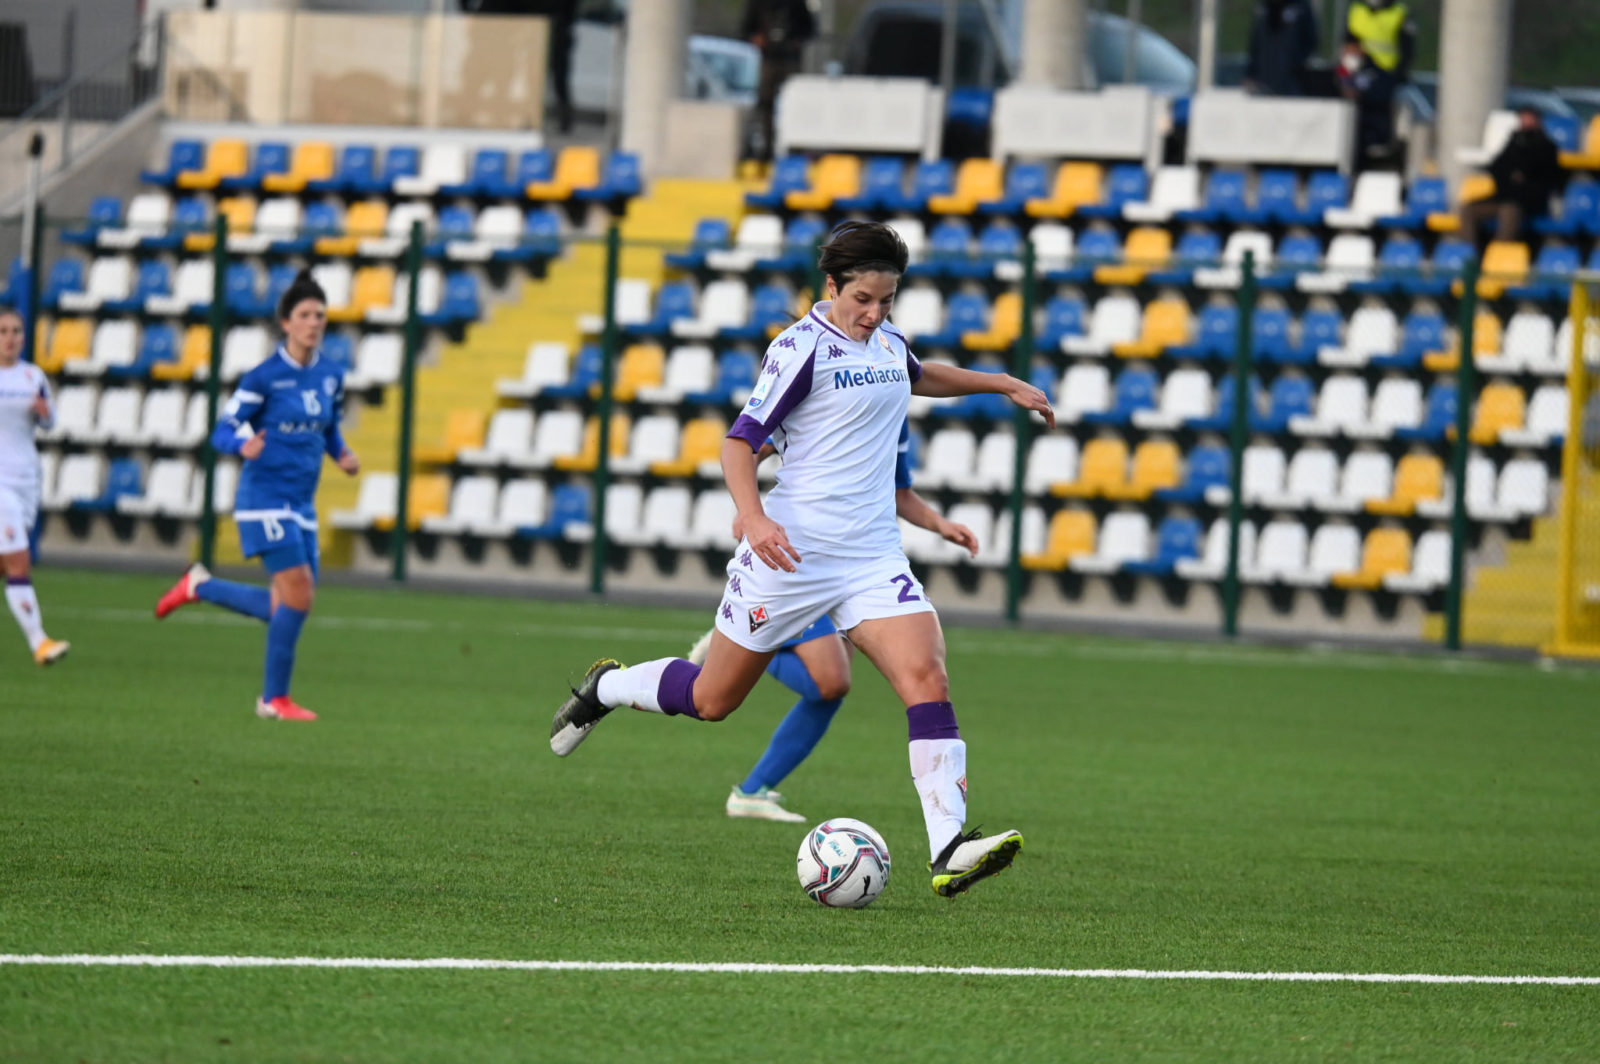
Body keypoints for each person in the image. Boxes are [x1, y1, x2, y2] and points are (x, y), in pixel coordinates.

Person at [550, 221, 1057, 898]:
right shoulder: (798, 350)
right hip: (792, 556)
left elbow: (919, 373)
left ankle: (950, 847)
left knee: (926, 677)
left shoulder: (887, 343)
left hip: (872, 556)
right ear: (832, 286)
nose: (875, 312)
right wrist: (754, 517)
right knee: (712, 699)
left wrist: (1001, 384)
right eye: (864, 299)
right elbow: (739, 444)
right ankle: (607, 688)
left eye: (887, 300)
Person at [698, 421, 981, 823]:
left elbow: (898, 492)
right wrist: (751, 512)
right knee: (830, 679)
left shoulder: (891, 404)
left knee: (831, 687)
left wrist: (941, 526)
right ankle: (752, 642)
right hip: (804, 557)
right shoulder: (820, 387)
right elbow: (747, 449)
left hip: (861, 563)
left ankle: (752, 790)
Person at [153, 271, 360, 721]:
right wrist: (240, 445)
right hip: (263, 500)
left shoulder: (330, 375)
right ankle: (273, 700)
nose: (314, 322)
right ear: (286, 322)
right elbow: (222, 428)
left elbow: (328, 428)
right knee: (299, 594)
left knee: (288, 604)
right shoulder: (264, 377)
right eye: (304, 315)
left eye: (320, 315)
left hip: (302, 505)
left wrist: (341, 454)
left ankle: (199, 586)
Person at [0, 307, 69, 665]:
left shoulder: (32, 376)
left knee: (6, 564)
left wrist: (44, 413)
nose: (10, 338)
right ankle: (39, 642)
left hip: (27, 481)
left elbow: (51, 423)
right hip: (1, 487)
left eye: (16, 331)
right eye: (3, 331)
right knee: (18, 562)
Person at [1460, 107, 1563, 246]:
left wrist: (1518, 174)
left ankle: (1499, 255)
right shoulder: (1513, 143)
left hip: (1528, 202)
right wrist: (1513, 174)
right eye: (1523, 118)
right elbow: (1497, 167)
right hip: (1504, 197)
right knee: (1468, 210)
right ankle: (1470, 254)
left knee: (1509, 212)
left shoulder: (1547, 147)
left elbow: (1538, 174)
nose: (1525, 122)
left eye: (1529, 119)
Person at [742, 0, 815, 162]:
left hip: (790, 59)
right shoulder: (758, 4)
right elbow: (746, 29)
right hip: (769, 58)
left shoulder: (796, 4)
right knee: (765, 103)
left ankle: (795, 148)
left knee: (794, 104)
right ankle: (766, 148)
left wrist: (796, 41)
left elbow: (809, 28)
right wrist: (758, 38)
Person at [1335, 35, 1398, 169]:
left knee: (1356, 137)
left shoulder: (1377, 74)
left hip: (1368, 127)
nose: (1350, 56)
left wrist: (1359, 96)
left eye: (1353, 52)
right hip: (1339, 126)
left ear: (1361, 51)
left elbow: (1380, 98)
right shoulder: (1338, 75)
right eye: (1347, 52)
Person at [1244, 0, 1319, 97]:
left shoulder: (1301, 8)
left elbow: (1311, 41)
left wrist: (1296, 63)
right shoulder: (1263, 8)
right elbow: (1254, 44)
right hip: (1262, 82)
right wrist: (1250, 73)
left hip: (1291, 83)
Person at [1345, 0, 1416, 81]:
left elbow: (1407, 47)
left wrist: (1400, 73)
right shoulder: (1358, 10)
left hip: (1386, 70)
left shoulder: (1399, 12)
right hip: (1358, 68)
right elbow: (1349, 40)